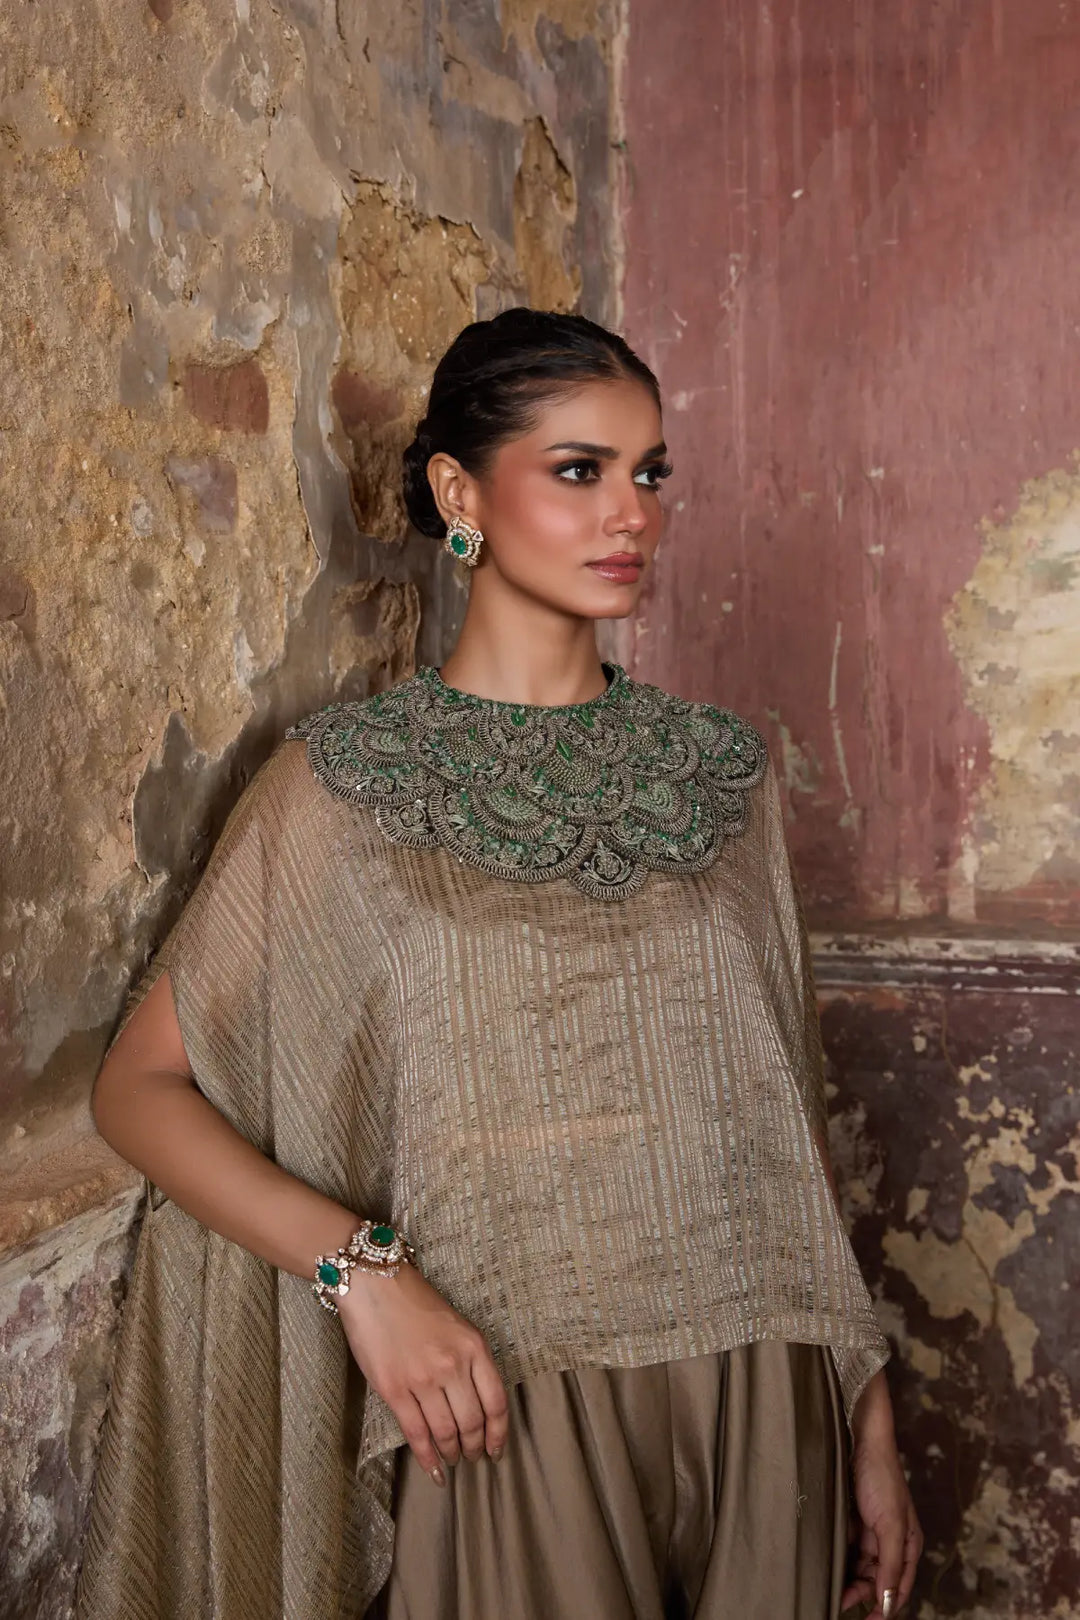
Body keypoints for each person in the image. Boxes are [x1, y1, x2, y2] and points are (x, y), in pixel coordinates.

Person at [77, 308, 922, 1620]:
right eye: (578, 471)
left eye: (649, 473)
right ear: (460, 494)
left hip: (765, 1395)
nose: (629, 511)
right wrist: (363, 1276)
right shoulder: (339, 790)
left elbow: (781, 1117)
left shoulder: (723, 773)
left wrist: (861, 1403)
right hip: (501, 1405)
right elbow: (137, 1093)